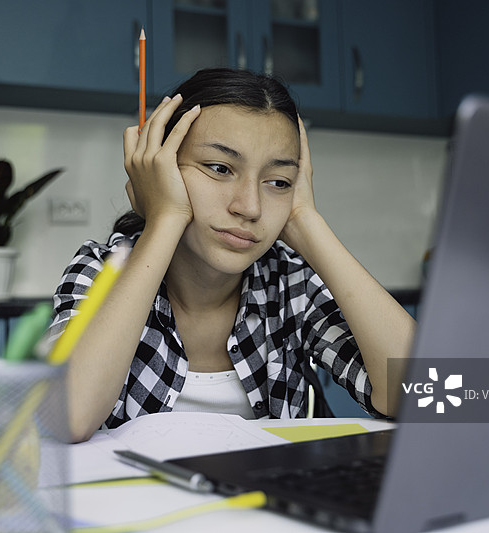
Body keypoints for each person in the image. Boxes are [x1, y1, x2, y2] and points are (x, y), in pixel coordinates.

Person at [49, 68, 416, 443]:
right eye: (220, 168)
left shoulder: (290, 284)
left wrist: (307, 222)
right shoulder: (102, 269)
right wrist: (164, 218)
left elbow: (430, 396)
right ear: (163, 168)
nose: (251, 207)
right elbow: (70, 417)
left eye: (278, 182)